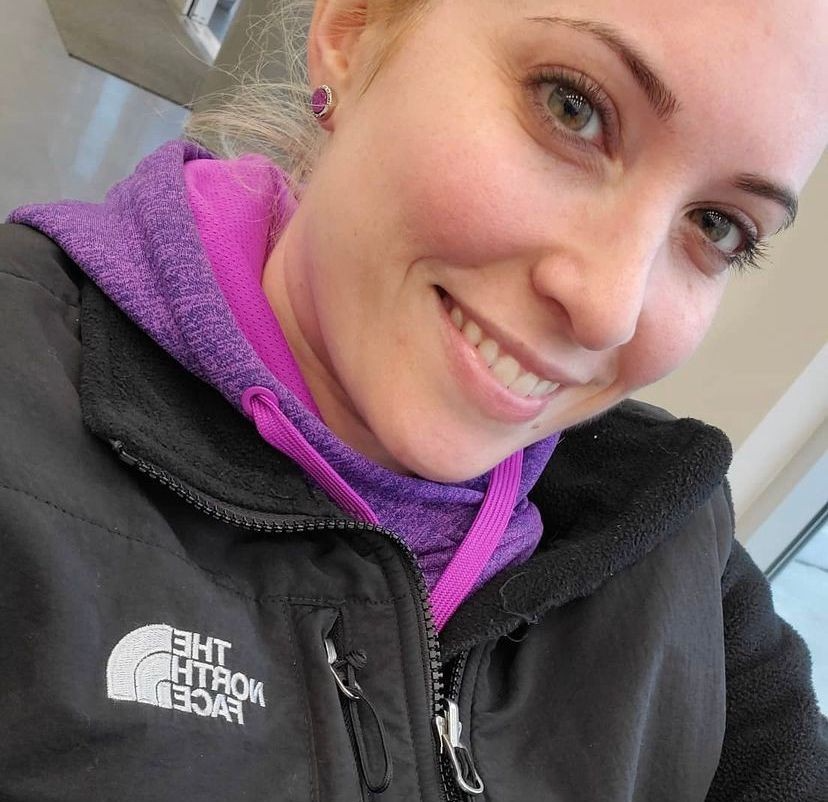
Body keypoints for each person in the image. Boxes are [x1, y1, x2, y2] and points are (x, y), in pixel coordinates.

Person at [1, 0, 826, 798]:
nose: (610, 308)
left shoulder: (676, 545)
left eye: (717, 226)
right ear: (351, 28)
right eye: (572, 108)